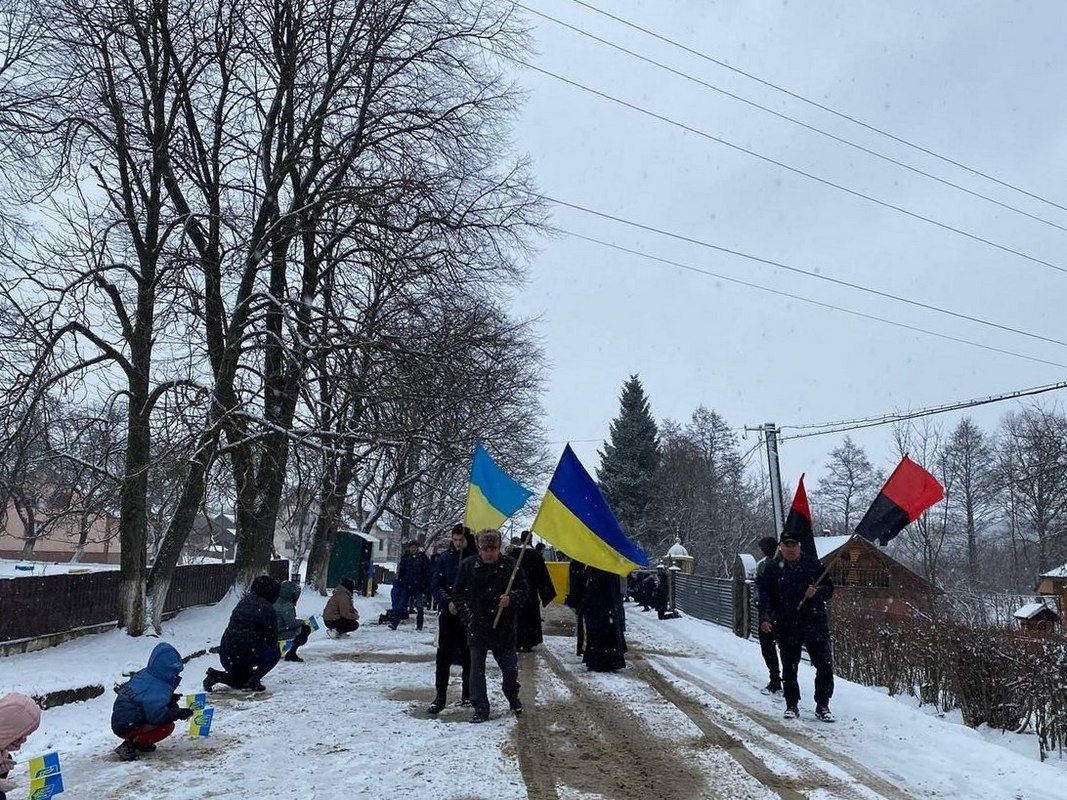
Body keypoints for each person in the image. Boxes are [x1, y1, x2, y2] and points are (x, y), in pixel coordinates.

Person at [758, 532, 835, 722]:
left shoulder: (813, 565)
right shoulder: (773, 569)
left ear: (799, 547)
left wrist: (816, 592)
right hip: (786, 625)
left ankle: (823, 705)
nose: (790, 549)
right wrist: (765, 618)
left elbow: (829, 590)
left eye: (793, 545)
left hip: (814, 624)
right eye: (786, 546)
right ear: (781, 548)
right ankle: (791, 704)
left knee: (824, 666)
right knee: (789, 668)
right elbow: (765, 597)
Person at [453, 529, 529, 723]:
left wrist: (511, 598)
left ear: (499, 548)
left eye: (493, 548)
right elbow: (459, 595)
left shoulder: (511, 566)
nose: (489, 553)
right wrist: (468, 617)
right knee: (476, 670)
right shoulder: (468, 566)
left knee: (510, 669)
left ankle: (512, 695)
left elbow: (524, 589)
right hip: (477, 625)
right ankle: (480, 707)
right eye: (485, 549)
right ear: (479, 548)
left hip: (503, 627)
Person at [111, 642, 195, 761]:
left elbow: (143, 698)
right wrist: (178, 713)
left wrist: (169, 699)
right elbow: (157, 717)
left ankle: (138, 740)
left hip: (121, 719)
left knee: (169, 709)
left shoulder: (146, 674)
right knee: (167, 726)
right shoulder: (157, 686)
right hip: (127, 724)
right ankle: (131, 744)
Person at [427, 524, 476, 714]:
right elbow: (436, 584)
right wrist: (447, 601)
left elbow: (477, 587)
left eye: (460, 540)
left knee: (469, 655)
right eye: (454, 540)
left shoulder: (474, 559)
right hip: (448, 614)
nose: (457, 544)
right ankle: (440, 695)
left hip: (468, 615)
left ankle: (468, 693)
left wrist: (463, 604)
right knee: (443, 656)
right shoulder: (445, 559)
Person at [204, 575, 282, 693]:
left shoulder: (243, 602)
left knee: (241, 682)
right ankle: (255, 679)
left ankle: (216, 676)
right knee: (275, 652)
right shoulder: (267, 608)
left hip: (227, 653)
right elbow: (272, 638)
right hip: (248, 653)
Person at [506, 530, 557, 652]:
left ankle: (516, 641)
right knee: (529, 620)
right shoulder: (536, 555)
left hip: (515, 594)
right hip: (530, 594)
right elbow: (543, 577)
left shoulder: (513, 554)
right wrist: (546, 593)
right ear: (531, 539)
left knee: (516, 618)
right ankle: (528, 642)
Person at [580, 566, 627, 672]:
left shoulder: (595, 569)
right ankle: (609, 660)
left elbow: (590, 591)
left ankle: (599, 661)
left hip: (597, 609)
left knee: (597, 635)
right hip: (608, 610)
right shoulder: (612, 569)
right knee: (608, 634)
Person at [753, 536, 782, 695]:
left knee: (785, 651)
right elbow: (758, 586)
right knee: (768, 649)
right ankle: (775, 679)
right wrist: (758, 602)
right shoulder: (763, 565)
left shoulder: (783, 563)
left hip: (781, 612)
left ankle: (786, 681)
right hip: (766, 612)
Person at [0, 693, 42, 800]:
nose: (24, 740)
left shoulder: (4, 755)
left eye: (28, 734)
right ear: (8, 728)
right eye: (21, 734)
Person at [390, 540, 431, 631]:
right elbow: (402, 571)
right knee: (401, 605)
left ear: (417, 548)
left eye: (414, 547)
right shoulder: (405, 557)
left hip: (418, 586)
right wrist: (401, 582)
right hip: (406, 585)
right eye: (411, 547)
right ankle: (394, 623)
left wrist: (424, 585)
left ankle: (419, 625)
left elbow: (427, 572)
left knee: (419, 607)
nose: (413, 549)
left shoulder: (423, 558)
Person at [275, 580, 312, 662]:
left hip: (270, 632)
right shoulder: (286, 606)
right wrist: (303, 622)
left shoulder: (276, 601)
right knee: (304, 629)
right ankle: (291, 653)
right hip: (278, 634)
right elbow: (291, 623)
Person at [565, 559, 588, 656]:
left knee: (581, 622)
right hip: (582, 598)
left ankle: (582, 647)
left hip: (580, 598)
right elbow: (574, 583)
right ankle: (582, 647)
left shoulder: (575, 564)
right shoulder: (579, 564)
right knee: (583, 623)